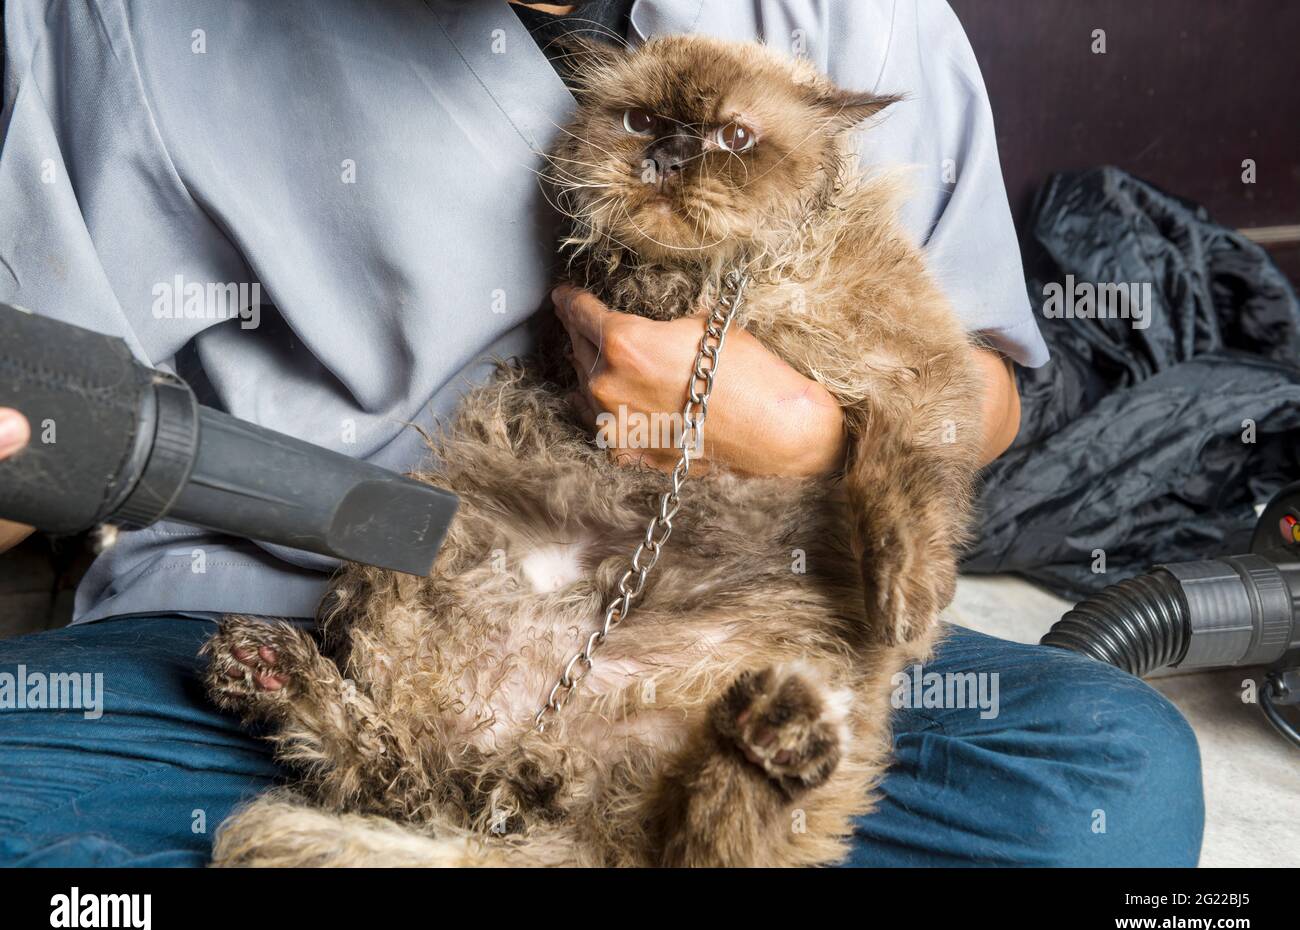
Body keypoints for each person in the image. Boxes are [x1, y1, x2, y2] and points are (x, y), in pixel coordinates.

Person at [0, 0, 1203, 866]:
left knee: (1107, 776)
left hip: (715, 653)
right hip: (280, 621)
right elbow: (39, 436)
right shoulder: (117, 23)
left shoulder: (857, 21)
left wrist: (814, 438)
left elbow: (980, 387)